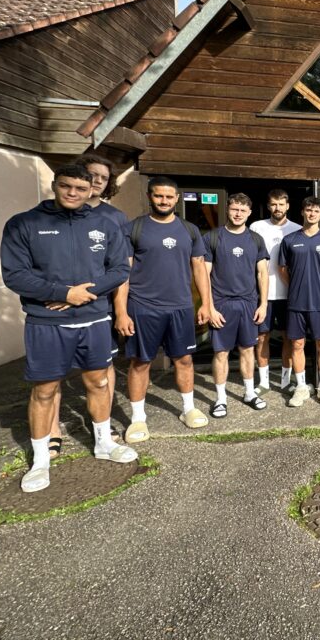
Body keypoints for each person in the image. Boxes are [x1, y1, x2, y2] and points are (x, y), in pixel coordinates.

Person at [1, 164, 136, 492]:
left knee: (99, 382)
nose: (73, 193)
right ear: (54, 185)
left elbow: (120, 268)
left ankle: (104, 443)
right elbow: (14, 275)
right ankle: (40, 460)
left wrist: (83, 294)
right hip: (47, 323)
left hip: (94, 319)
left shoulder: (105, 224)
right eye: (66, 186)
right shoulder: (25, 223)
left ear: (92, 189)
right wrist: (63, 294)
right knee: (45, 390)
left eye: (80, 187)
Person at [114, 177, 212, 442]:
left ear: (177, 198)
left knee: (184, 360)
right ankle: (137, 419)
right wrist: (121, 312)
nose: (164, 201)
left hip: (180, 307)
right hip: (143, 307)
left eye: (169, 197)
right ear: (150, 196)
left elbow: (200, 270)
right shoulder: (134, 229)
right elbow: (123, 274)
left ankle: (188, 409)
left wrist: (205, 304)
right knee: (140, 363)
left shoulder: (189, 230)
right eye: (159, 196)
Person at [43, 153, 127, 457]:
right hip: (52, 309)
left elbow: (121, 269)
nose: (95, 182)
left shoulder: (114, 219)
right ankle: (51, 430)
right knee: (51, 375)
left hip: (97, 309)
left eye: (102, 179)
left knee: (102, 371)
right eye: (91, 175)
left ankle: (102, 426)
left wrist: (118, 309)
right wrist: (62, 293)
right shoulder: (45, 216)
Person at [203, 193, 270, 417]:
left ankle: (250, 393)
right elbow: (204, 274)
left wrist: (263, 304)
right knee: (221, 352)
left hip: (248, 303)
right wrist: (209, 307)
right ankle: (220, 399)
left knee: (248, 349)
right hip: (222, 303)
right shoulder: (213, 237)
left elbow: (262, 273)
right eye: (234, 209)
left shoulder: (255, 239)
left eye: (243, 210)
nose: (238, 213)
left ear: (249, 213)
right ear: (227, 210)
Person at [278, 196, 320, 407]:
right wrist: (298, 286)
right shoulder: (289, 240)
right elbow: (283, 270)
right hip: (296, 302)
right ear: (302, 213)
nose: (311, 214)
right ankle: (302, 387)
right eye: (308, 210)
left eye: (315, 211)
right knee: (297, 343)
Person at [250, 190, 302, 392]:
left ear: (288, 206)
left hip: (290, 295)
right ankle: (263, 381)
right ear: (268, 205)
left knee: (289, 337)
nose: (277, 208)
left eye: (281, 204)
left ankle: (285, 380)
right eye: (273, 204)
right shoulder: (256, 226)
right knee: (262, 337)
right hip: (263, 295)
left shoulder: (297, 228)